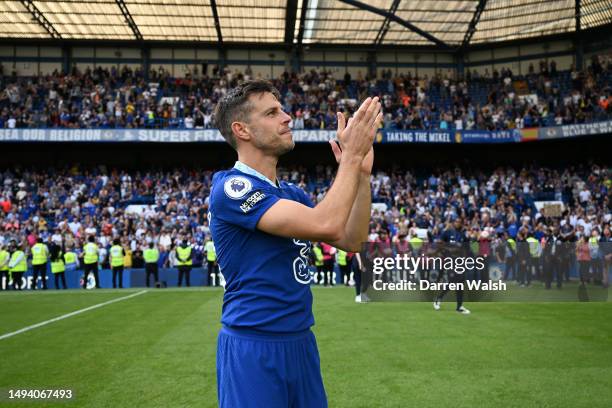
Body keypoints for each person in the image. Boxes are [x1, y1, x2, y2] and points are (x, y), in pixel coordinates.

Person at [210, 80, 381, 407]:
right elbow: (327, 225)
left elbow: (352, 239)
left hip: (301, 341)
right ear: (241, 130)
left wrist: (361, 174)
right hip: (253, 345)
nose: (287, 117)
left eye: (283, 109)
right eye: (272, 112)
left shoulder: (291, 194)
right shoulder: (232, 188)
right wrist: (349, 159)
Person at [433, 218, 471, 314]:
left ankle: (459, 307)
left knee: (460, 283)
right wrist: (446, 251)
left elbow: (466, 249)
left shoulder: (463, 235)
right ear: (454, 223)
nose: (458, 223)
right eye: (456, 221)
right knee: (453, 281)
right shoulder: (448, 232)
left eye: (459, 222)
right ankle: (439, 298)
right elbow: (440, 243)